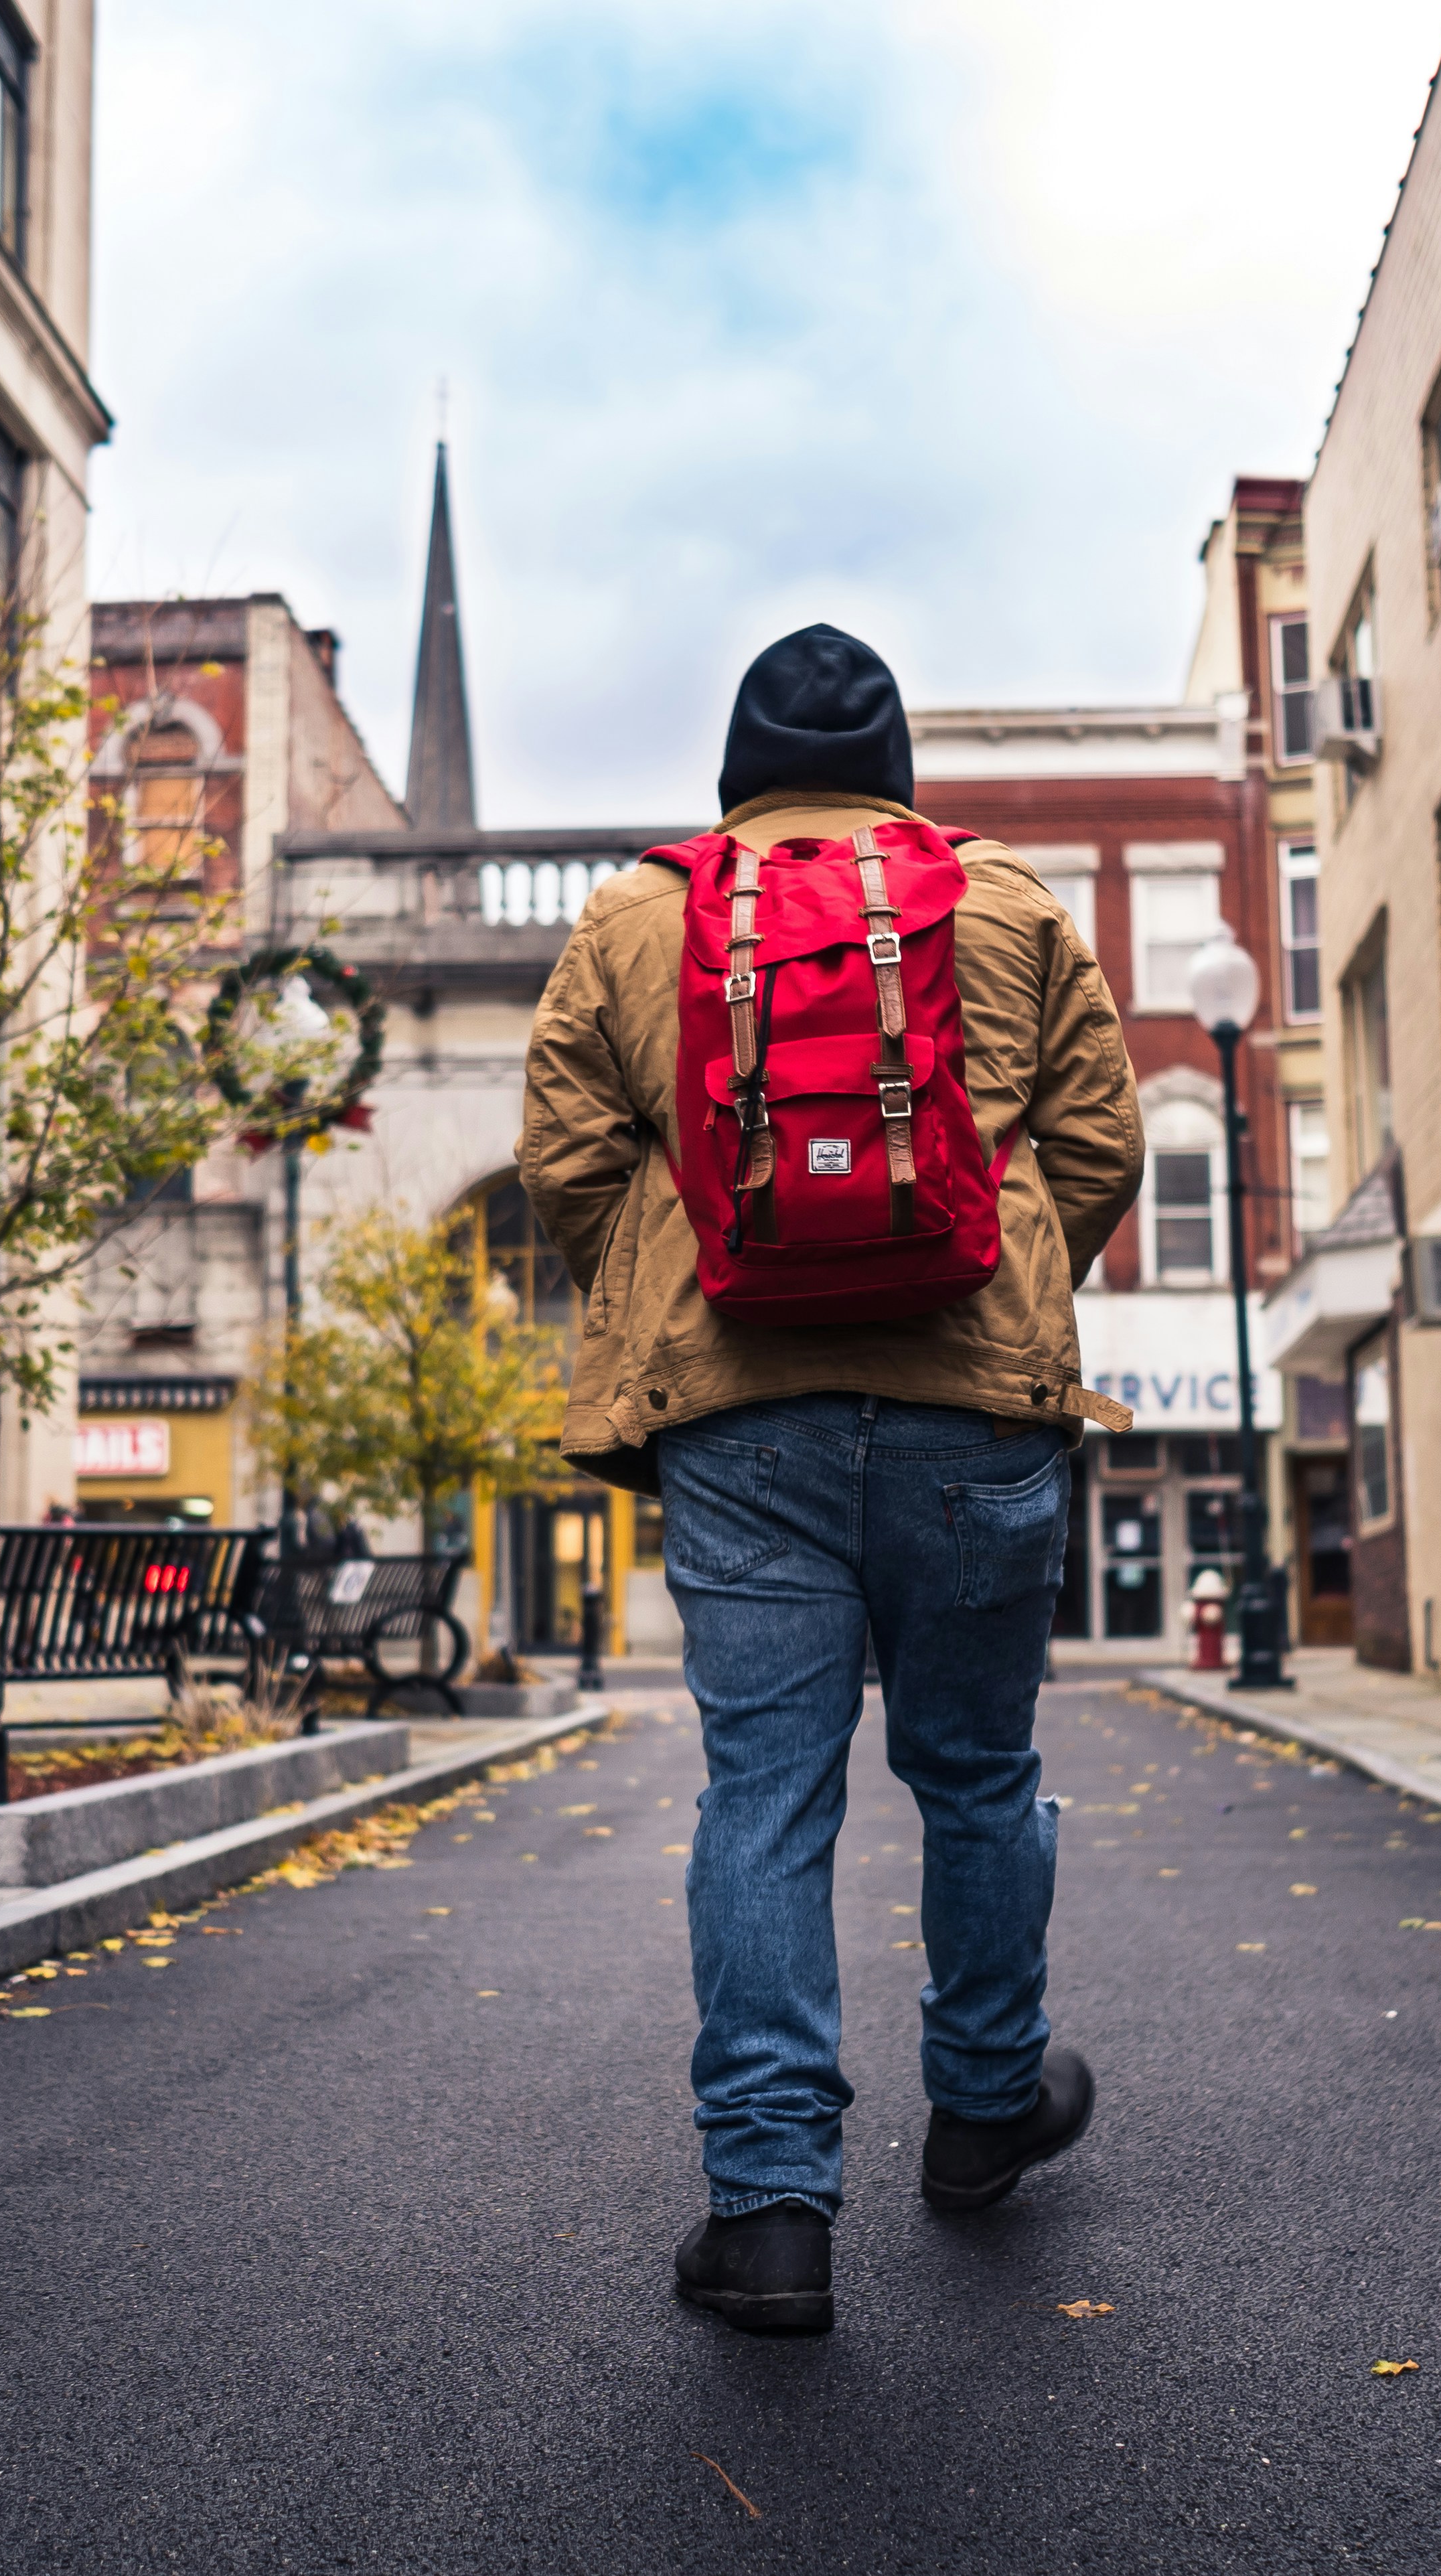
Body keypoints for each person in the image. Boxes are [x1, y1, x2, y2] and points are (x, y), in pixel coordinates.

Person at [518, 624, 1141, 2336]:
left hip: (742, 1424)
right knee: (975, 1769)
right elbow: (1100, 1144)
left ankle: (773, 2209)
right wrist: (995, 1275)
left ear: (738, 772)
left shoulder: (640, 916)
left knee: (765, 1802)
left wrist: (690, 1287)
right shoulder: (1003, 903)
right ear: (896, 774)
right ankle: (985, 2103)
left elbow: (567, 1155)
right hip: (974, 1413)